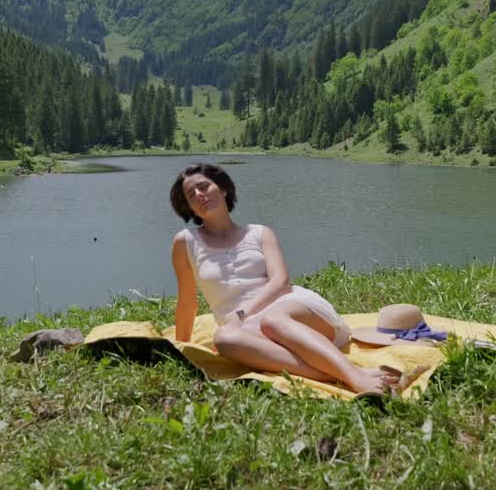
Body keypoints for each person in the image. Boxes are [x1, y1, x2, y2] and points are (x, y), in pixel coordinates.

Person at [168, 163, 397, 395]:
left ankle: (355, 377)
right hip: (248, 332)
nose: (199, 195)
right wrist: (180, 348)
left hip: (290, 308)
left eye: (204, 186)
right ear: (190, 208)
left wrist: (241, 314)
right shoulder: (185, 242)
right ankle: (335, 374)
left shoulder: (260, 233)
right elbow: (187, 302)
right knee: (224, 338)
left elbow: (280, 282)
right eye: (191, 195)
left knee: (272, 319)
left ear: (224, 189)